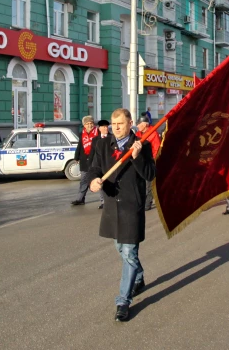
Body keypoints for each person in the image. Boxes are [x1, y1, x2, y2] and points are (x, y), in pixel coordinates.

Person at [88, 108, 155, 322]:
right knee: (121, 248)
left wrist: (136, 158)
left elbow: (150, 174)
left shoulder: (141, 144)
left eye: (120, 124)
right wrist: (93, 181)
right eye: (114, 124)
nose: (116, 127)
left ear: (130, 123)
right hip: (111, 205)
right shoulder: (102, 144)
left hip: (131, 207)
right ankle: (139, 276)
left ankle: (122, 301)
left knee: (128, 252)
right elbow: (94, 168)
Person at [71, 116, 98, 206]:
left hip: (95, 160)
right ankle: (80, 199)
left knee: (98, 180)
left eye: (91, 123)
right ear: (84, 125)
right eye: (87, 124)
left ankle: (104, 202)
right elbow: (80, 146)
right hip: (84, 160)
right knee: (83, 180)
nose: (89, 125)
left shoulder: (97, 132)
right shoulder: (81, 134)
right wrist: (76, 157)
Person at [135, 115, 161, 211]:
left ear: (145, 124)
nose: (137, 126)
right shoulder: (137, 134)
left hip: (150, 161)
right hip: (140, 160)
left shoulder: (153, 134)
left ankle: (148, 202)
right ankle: (141, 201)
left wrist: (152, 162)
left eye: (139, 124)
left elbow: (156, 149)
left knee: (149, 183)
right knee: (140, 183)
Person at [91, 120, 113, 209]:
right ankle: (103, 201)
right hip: (100, 164)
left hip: (109, 164)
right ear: (99, 128)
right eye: (103, 127)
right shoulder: (96, 139)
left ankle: (109, 201)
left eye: (107, 126)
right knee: (99, 182)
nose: (105, 128)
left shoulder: (112, 137)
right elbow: (93, 153)